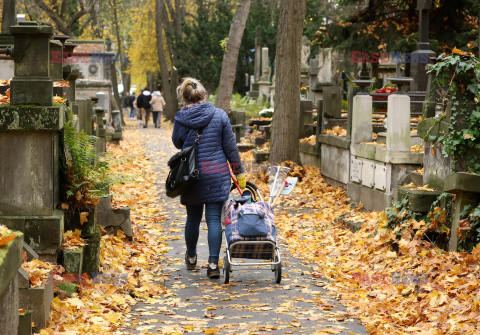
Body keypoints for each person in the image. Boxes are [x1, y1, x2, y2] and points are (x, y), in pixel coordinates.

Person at [172, 77, 246, 278]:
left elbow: (178, 143)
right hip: (217, 174)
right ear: (204, 94)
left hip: (191, 176)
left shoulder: (181, 118)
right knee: (214, 220)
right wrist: (239, 172)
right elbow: (230, 148)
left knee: (193, 219)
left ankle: (192, 258)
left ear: (185, 97)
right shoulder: (220, 115)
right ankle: (213, 264)